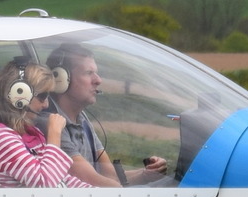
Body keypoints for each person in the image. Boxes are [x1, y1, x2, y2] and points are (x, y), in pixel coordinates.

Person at [44, 44, 169, 186]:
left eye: (96, 73)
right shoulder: (50, 123)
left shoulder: (81, 118)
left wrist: (147, 174)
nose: (98, 80)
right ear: (60, 78)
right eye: (88, 73)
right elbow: (95, 181)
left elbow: (110, 175)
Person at [0, 61, 88, 188]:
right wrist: (54, 135)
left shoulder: (31, 133)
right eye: (43, 96)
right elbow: (44, 185)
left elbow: (62, 179)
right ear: (19, 95)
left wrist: (96, 193)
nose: (46, 104)